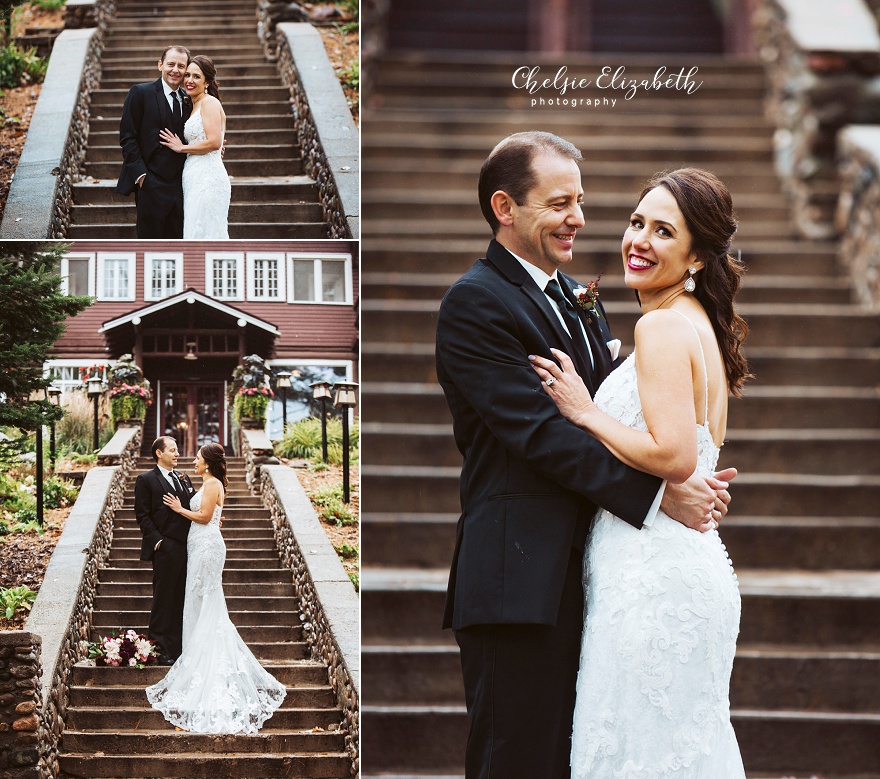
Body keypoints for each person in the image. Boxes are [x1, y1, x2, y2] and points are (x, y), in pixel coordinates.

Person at [434, 132, 737, 779]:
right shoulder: (476, 302)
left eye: (581, 200)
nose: (579, 217)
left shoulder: (584, 299)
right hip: (520, 577)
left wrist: (673, 479)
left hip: (601, 575)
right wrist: (660, 494)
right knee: (516, 761)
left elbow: (637, 422)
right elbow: (539, 432)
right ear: (505, 208)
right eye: (559, 202)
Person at [530, 168, 749, 777]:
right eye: (635, 223)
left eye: (662, 231)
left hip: (653, 581)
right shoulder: (699, 324)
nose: (639, 241)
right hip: (678, 566)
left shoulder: (659, 326)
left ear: (698, 256)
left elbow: (676, 457)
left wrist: (584, 412)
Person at [146, 443, 286, 733]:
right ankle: (197, 655)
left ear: (207, 463)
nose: (193, 462)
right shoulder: (209, 483)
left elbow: (205, 517)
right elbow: (212, 518)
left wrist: (179, 508)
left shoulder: (211, 484)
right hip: (200, 545)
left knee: (207, 600)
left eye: (197, 458)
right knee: (197, 600)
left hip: (207, 547)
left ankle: (204, 659)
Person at [117, 45, 192, 238]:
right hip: (151, 182)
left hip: (182, 184)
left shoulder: (189, 99)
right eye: (171, 64)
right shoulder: (141, 93)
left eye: (181, 66)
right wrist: (142, 176)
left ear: (186, 70)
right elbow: (128, 137)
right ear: (160, 65)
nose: (176, 70)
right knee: (150, 243)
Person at [133, 436, 195, 665]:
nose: (177, 453)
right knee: (163, 599)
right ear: (159, 453)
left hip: (188, 547)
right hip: (166, 548)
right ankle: (158, 650)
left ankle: (177, 649)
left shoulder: (183, 478)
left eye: (177, 450)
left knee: (180, 598)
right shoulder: (146, 480)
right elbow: (142, 515)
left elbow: (195, 505)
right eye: (172, 450)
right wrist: (158, 542)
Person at [159, 55, 231, 239]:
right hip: (194, 177)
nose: (189, 81)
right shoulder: (192, 104)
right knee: (194, 232)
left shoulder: (209, 102)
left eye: (196, 76)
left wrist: (181, 148)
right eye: (188, 75)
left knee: (206, 234)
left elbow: (214, 142)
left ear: (207, 81)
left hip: (208, 179)